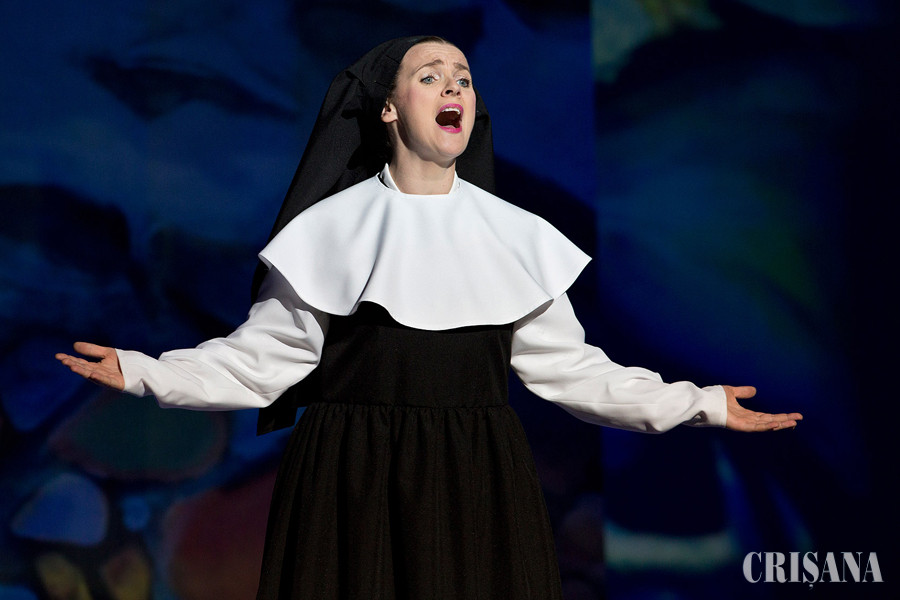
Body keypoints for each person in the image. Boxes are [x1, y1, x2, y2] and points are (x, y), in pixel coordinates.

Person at [56, 36, 802, 599]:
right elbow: (262, 362)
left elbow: (574, 373)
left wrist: (700, 404)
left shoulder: (513, 235)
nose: (453, 86)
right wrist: (146, 373)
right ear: (388, 108)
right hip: (349, 475)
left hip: (477, 475)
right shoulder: (331, 230)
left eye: (464, 78)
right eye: (430, 75)